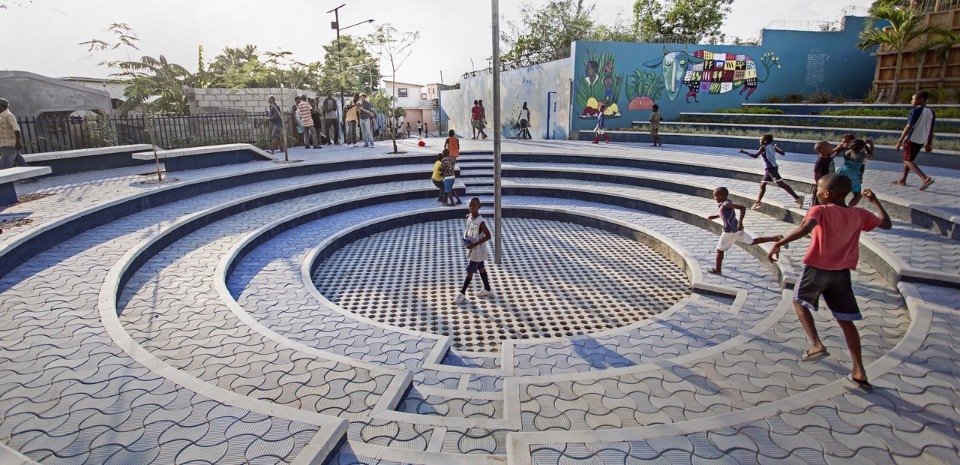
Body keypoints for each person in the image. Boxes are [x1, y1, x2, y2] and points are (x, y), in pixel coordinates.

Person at [768, 174, 892, 392]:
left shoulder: (820, 210)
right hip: (841, 274)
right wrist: (875, 202)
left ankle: (816, 344)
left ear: (827, 193)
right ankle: (859, 371)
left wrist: (779, 243)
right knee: (846, 321)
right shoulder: (859, 214)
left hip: (817, 268)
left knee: (798, 301)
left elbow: (805, 229)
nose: (816, 192)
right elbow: (886, 224)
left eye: (818, 188)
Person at [706, 187, 785, 275]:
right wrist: (715, 216)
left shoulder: (726, 203)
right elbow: (725, 213)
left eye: (716, 196)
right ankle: (775, 238)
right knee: (752, 241)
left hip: (729, 232)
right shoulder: (724, 203)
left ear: (723, 196)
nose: (715, 198)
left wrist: (740, 222)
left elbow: (742, 208)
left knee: (720, 250)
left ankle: (718, 270)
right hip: (737, 230)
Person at [739, 134, 804, 209]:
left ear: (765, 141)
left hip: (771, 169)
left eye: (761, 139)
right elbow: (783, 153)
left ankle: (798, 198)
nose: (759, 140)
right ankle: (758, 202)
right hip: (772, 168)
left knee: (781, 184)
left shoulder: (763, 147)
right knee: (763, 185)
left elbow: (755, 156)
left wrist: (745, 152)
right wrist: (777, 147)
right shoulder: (772, 146)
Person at [895, 90, 936, 190]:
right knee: (910, 159)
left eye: (913, 99)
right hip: (922, 140)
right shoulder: (931, 112)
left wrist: (900, 141)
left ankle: (924, 178)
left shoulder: (915, 111)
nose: (911, 101)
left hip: (912, 139)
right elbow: (931, 129)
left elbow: (908, 126)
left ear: (920, 99)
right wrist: (929, 143)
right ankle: (903, 179)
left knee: (906, 159)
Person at [454, 197, 493, 303]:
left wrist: (474, 244)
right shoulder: (468, 217)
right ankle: (488, 289)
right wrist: (466, 240)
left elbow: (488, 236)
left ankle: (462, 293)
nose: (471, 207)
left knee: (469, 271)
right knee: (481, 268)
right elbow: (469, 230)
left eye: (474, 205)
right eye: (470, 205)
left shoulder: (481, 222)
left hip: (477, 250)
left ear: (479, 206)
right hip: (473, 248)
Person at [835, 138, 873, 207]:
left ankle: (837, 205)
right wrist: (871, 144)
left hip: (842, 172)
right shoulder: (862, 155)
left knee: (841, 191)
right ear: (862, 147)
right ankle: (848, 208)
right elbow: (871, 155)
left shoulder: (847, 152)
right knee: (857, 195)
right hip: (853, 175)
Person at [0, 98, 25, 169]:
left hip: (9, 145)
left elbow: (17, 130)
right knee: (21, 163)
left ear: (1, 106)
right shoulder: (1, 116)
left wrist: (18, 143)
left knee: (4, 165)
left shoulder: (9, 115)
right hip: (3, 144)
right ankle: (31, 175)